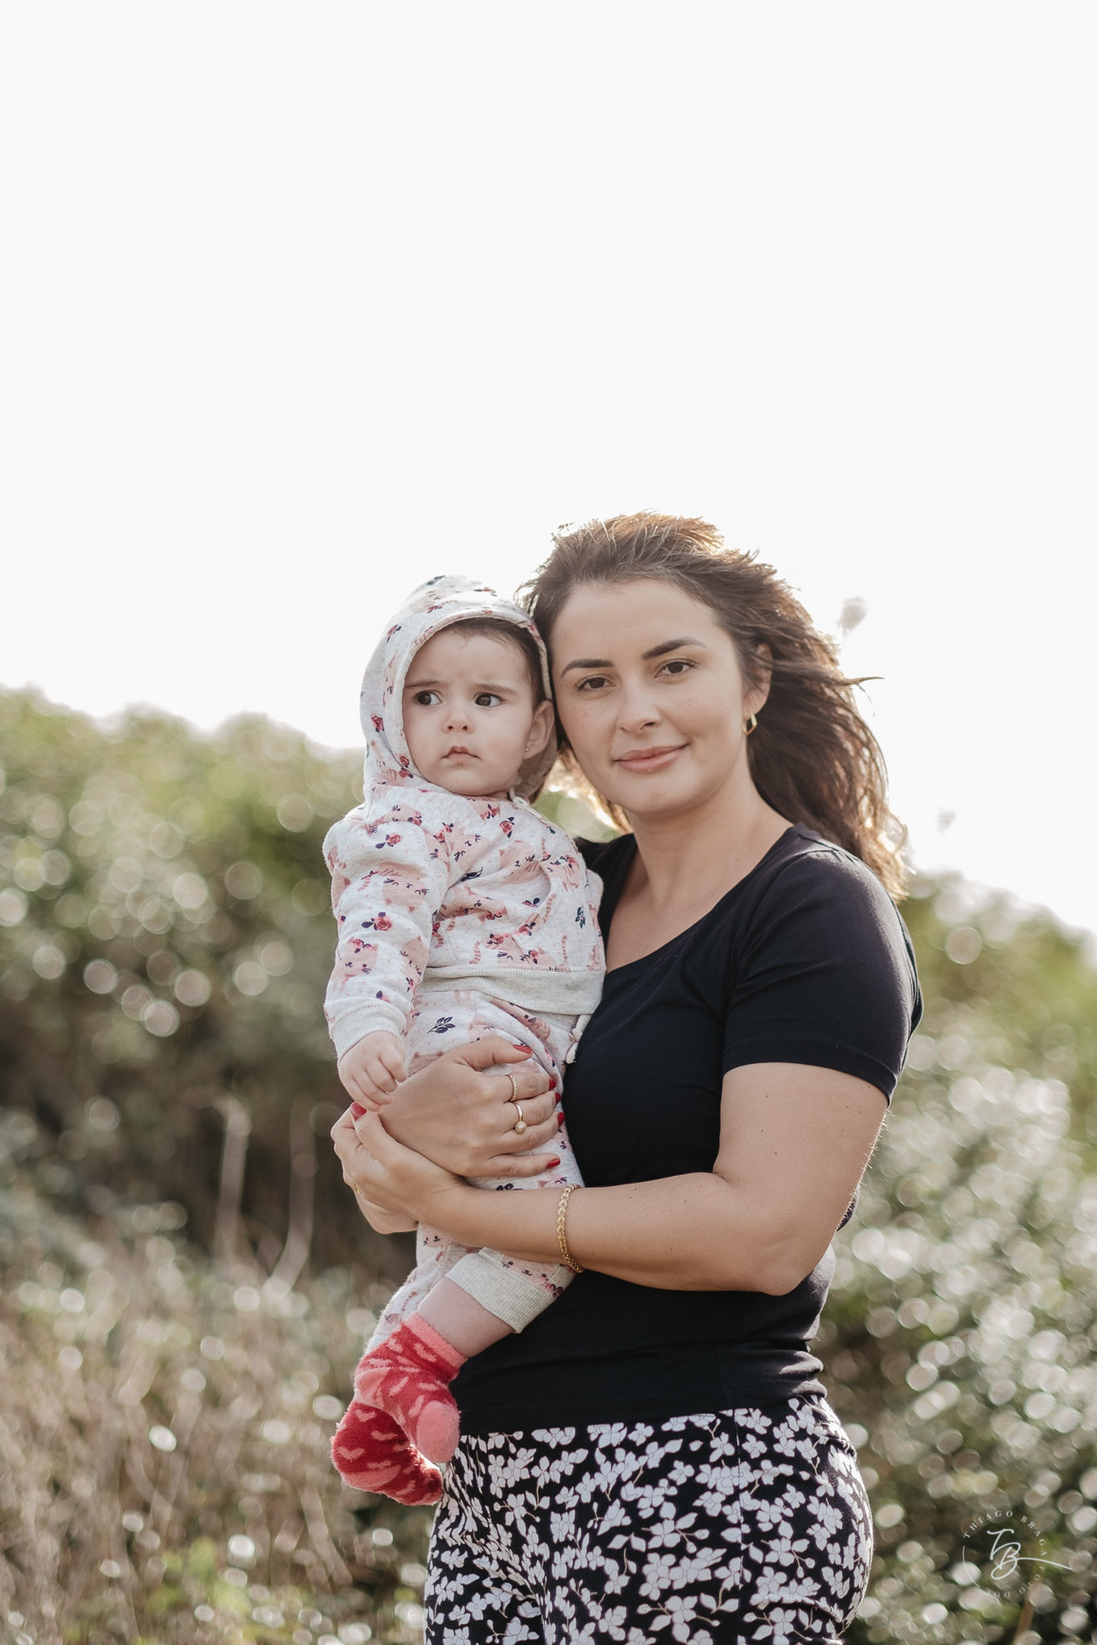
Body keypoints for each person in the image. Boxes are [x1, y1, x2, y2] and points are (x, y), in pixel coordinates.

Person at [333, 513, 923, 1645]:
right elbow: (374, 1189)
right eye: (593, 681)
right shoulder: (553, 893)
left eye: (673, 666)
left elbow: (762, 1233)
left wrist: (455, 1202)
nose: (635, 712)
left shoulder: (812, 909)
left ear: (752, 679)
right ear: (555, 723)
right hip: (493, 1497)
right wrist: (409, 1123)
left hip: (700, 1483)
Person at [323, 575, 605, 1506]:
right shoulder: (406, 819)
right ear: (386, 714)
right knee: (548, 1236)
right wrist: (365, 1024)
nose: (454, 720)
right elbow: (379, 929)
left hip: (516, 1028)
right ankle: (414, 1358)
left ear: (534, 727)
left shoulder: (526, 829)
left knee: (454, 1247)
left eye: (486, 700)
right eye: (426, 697)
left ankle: (375, 1417)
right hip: (470, 1033)